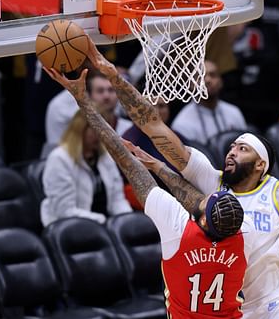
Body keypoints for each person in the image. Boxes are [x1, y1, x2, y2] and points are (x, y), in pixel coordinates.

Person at [83, 35, 279, 318]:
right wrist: (112, 75)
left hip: (273, 304)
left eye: (242, 149)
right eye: (232, 146)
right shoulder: (209, 180)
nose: (232, 152)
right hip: (231, 310)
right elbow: (154, 125)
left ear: (260, 165)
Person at [43, 66, 256, 318]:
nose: (202, 196)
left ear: (201, 219)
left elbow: (122, 157)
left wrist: (82, 100)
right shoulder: (247, 235)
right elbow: (196, 200)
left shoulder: (178, 229)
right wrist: (160, 167)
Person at [41, 109, 132, 226]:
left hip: (105, 228)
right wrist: (103, 221)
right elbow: (64, 211)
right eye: (95, 129)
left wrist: (127, 220)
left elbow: (117, 200)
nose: (100, 135)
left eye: (103, 130)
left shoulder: (104, 157)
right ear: (80, 129)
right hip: (69, 228)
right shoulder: (59, 159)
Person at [44, 71, 131, 146]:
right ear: (89, 95)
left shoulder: (128, 128)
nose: (106, 96)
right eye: (100, 91)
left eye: (111, 90)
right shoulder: (80, 129)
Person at [171, 59, 247, 144]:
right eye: (201, 76)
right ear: (191, 84)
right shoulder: (182, 123)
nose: (207, 80)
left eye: (213, 75)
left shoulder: (234, 112)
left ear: (221, 82)